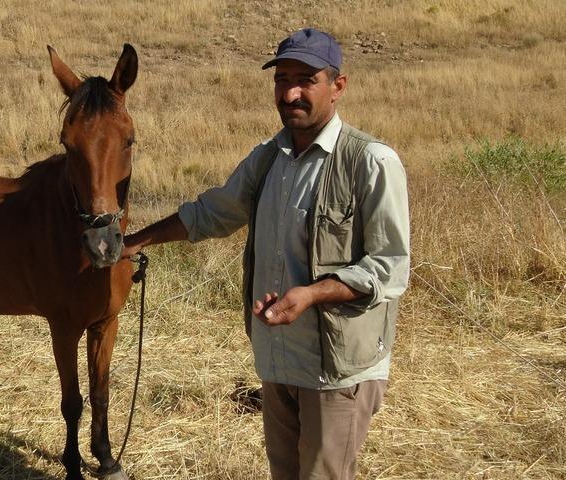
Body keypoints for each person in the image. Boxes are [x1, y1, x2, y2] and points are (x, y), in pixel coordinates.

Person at [123, 28, 410, 479]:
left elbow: (390, 267)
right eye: (282, 79)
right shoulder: (268, 157)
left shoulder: (370, 161)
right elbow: (212, 213)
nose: (290, 92)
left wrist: (312, 295)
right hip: (278, 359)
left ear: (338, 86)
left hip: (336, 371)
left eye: (306, 80)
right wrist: (132, 243)